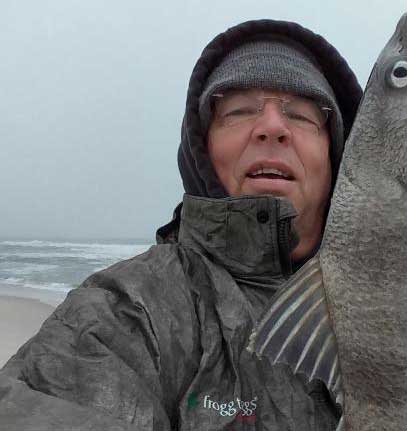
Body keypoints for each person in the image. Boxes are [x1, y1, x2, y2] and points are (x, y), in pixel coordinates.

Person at [0, 19, 362, 431]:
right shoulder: (125, 313)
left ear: (336, 156)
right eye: (240, 111)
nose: (273, 128)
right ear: (200, 153)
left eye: (301, 115)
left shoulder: (404, 295)